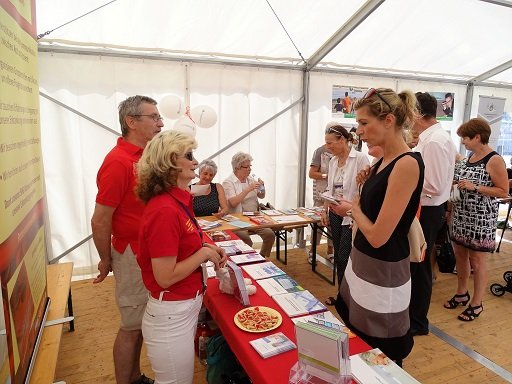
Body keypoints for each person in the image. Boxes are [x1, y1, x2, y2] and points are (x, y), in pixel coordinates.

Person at [335, 87, 424, 365]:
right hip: (364, 264)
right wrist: (366, 185)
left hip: (383, 270)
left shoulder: (407, 164)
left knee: (382, 354)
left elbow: (377, 236)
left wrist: (352, 210)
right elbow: (367, 207)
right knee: (362, 344)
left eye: (364, 123)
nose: (358, 131)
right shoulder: (382, 161)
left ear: (388, 121)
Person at [135, 130, 227, 383]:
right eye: (189, 155)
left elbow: (188, 242)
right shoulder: (164, 209)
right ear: (169, 162)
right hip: (171, 315)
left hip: (182, 308)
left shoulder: (177, 200)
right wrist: (204, 253)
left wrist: (206, 248)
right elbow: (165, 277)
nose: (196, 162)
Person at [91, 95, 163, 384]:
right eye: (153, 117)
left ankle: (135, 377)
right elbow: (100, 219)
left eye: (159, 116)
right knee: (132, 326)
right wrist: (106, 259)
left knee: (141, 323)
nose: (160, 122)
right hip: (131, 253)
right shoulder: (118, 162)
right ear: (131, 122)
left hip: (149, 251)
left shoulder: (145, 157)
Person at [445, 118, 508, 321]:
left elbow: (503, 191)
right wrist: (451, 209)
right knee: (460, 257)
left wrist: (476, 187)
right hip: (461, 217)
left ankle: (477, 303)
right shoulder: (469, 157)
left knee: (478, 261)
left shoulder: (494, 160)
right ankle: (462, 293)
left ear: (477, 137)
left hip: (481, 221)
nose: (463, 141)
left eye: (465, 137)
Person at [409, 92, 458, 336]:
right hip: (425, 208)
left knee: (420, 267)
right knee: (415, 265)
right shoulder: (429, 139)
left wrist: (403, 184)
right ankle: (413, 317)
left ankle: (417, 322)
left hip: (427, 210)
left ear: (416, 113)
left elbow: (435, 185)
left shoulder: (435, 141)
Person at [320, 124, 369, 306]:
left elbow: (365, 191)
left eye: (330, 143)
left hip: (351, 215)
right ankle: (343, 295)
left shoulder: (360, 158)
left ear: (342, 140)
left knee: (344, 256)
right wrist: (324, 210)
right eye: (326, 143)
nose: (327, 146)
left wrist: (354, 212)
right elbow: (329, 190)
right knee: (341, 258)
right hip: (335, 212)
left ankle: (349, 297)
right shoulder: (333, 161)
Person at [222, 152, 275, 257]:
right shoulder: (228, 182)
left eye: (250, 166)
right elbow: (233, 203)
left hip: (254, 217)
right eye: (246, 167)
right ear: (237, 168)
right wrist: (248, 189)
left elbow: (261, 196)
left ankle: (261, 257)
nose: (249, 169)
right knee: (246, 240)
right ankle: (248, 260)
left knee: (270, 235)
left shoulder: (250, 178)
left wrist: (262, 187)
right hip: (237, 220)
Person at [308, 123, 334, 264]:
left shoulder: (343, 152)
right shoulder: (320, 151)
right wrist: (327, 176)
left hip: (336, 195)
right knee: (318, 223)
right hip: (321, 193)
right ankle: (312, 251)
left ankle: (331, 250)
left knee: (332, 224)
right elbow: (311, 173)